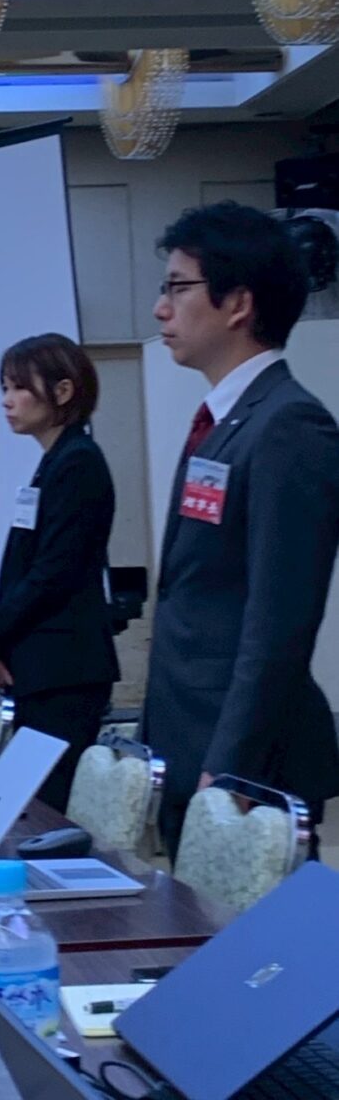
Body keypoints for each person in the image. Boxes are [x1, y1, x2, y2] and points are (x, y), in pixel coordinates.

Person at [142, 201, 339, 861]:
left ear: (238, 304)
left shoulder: (288, 425)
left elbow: (279, 620)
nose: (160, 309)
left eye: (178, 288)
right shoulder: (228, 419)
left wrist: (232, 766)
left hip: (246, 762)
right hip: (189, 737)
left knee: (262, 932)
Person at [0, 334, 120, 813]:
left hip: (65, 669)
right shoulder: (54, 461)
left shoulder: (78, 463)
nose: (7, 401)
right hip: (42, 665)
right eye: (4, 388)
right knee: (33, 804)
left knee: (47, 810)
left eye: (19, 387)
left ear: (63, 391)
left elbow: (54, 572)